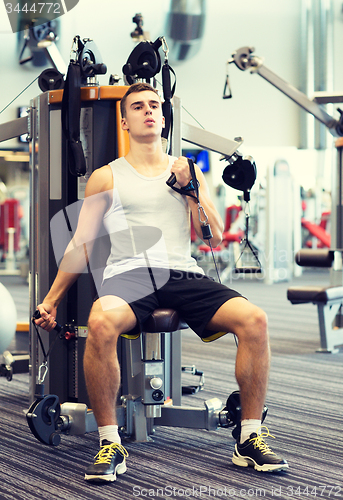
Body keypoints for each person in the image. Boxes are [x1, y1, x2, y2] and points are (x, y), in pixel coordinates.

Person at [34, 82, 288, 482]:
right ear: (125, 120)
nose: (149, 111)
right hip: (130, 275)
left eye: (155, 105)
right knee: (100, 321)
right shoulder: (106, 177)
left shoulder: (187, 169)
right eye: (138, 106)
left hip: (182, 272)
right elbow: (81, 246)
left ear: (164, 118)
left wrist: (190, 189)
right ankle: (109, 442)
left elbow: (214, 237)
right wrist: (51, 300)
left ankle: (249, 437)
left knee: (255, 319)